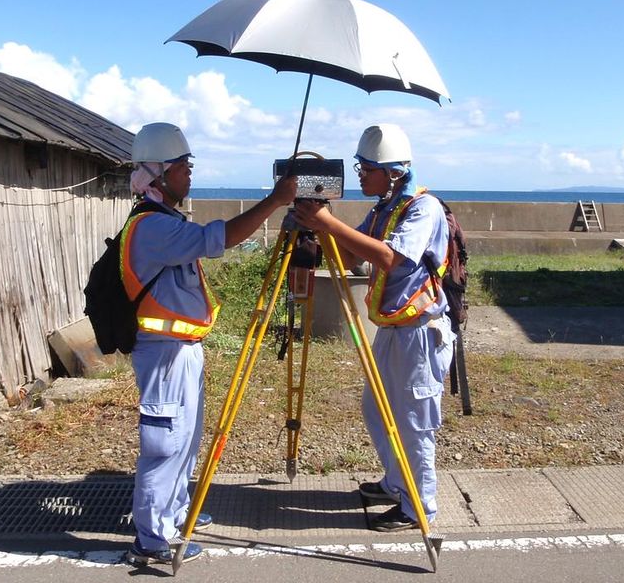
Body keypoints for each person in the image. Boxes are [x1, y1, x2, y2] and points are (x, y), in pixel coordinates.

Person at [124, 122, 296, 565]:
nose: (189, 174)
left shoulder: (164, 221)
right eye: (183, 166)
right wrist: (276, 202)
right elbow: (215, 238)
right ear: (157, 173)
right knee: (165, 440)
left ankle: (177, 510)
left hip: (181, 351)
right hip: (163, 353)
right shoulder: (150, 226)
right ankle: (152, 537)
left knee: (186, 437)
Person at [293, 123, 455, 531]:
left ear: (394, 171)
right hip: (391, 329)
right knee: (376, 409)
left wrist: (328, 223)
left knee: (414, 420)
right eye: (360, 166)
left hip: (421, 332)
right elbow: (350, 255)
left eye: (366, 167)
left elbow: (391, 259)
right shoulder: (383, 209)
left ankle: (419, 505)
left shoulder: (423, 208)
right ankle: (397, 483)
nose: (360, 174)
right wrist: (312, 231)